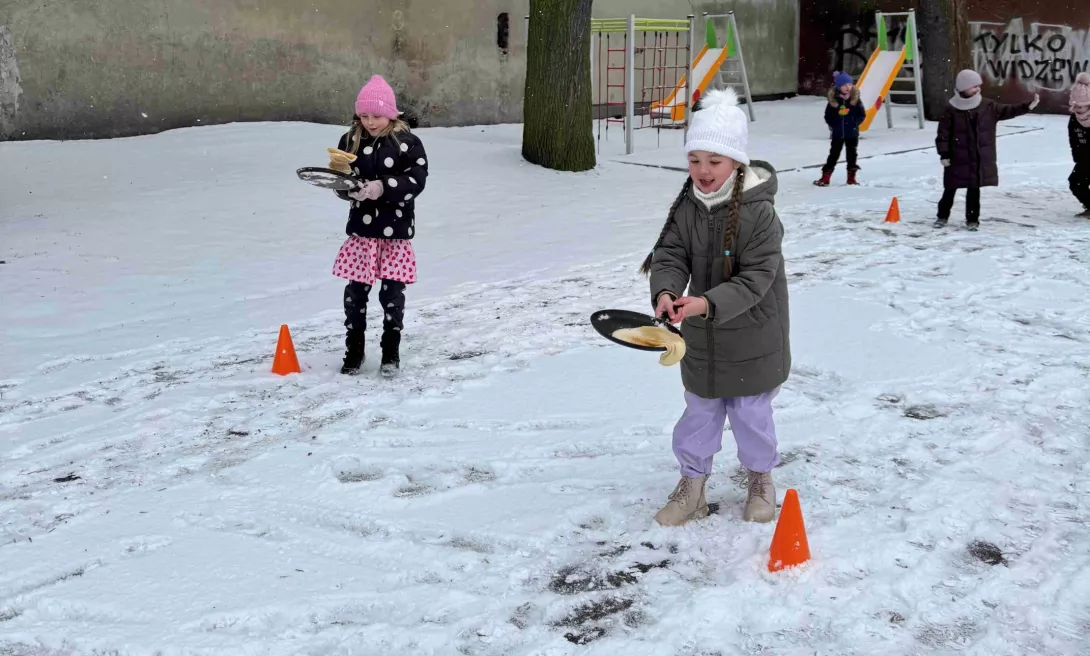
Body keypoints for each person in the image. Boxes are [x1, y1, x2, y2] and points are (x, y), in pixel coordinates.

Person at [643, 88, 791, 527]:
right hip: (701, 335)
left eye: (715, 161)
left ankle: (761, 479)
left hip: (752, 336)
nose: (703, 171)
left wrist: (705, 303)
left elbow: (756, 279)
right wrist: (666, 292)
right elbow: (670, 254)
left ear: (736, 163)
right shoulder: (687, 205)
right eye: (695, 160)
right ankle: (692, 487)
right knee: (699, 414)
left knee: (750, 416)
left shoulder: (759, 214)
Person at [332, 75, 428, 376]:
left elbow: (416, 181)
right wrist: (349, 188)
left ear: (390, 113)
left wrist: (381, 188)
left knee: (391, 295)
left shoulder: (407, 143)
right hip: (362, 232)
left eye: (376, 115)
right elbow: (339, 180)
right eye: (363, 115)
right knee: (356, 293)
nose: (370, 122)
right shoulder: (350, 140)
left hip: (395, 232)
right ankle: (354, 350)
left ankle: (390, 352)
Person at [934, 70, 1038, 230]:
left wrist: (1027, 106)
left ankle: (972, 220)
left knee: (974, 191)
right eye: (973, 86)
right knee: (950, 189)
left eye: (978, 86)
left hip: (978, 157)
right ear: (963, 88)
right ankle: (942, 216)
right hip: (957, 158)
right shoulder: (951, 109)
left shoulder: (987, 106)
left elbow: (1007, 110)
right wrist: (944, 153)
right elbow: (943, 134)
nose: (977, 89)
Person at [814, 71, 867, 187]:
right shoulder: (834, 102)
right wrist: (835, 124)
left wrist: (854, 123)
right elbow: (828, 116)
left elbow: (862, 114)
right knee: (833, 154)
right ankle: (826, 177)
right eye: (844, 85)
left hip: (852, 133)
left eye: (849, 84)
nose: (847, 87)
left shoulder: (855, 100)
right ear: (838, 87)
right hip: (838, 134)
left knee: (852, 154)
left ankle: (851, 177)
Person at [1068, 72, 1090, 218]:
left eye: (1081, 107)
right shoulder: (1074, 119)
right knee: (1075, 182)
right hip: (1084, 158)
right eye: (1075, 106)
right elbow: (1073, 139)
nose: (1077, 110)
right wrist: (1077, 157)